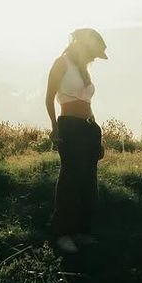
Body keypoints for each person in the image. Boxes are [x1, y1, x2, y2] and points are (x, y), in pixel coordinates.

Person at [46, 27, 108, 254]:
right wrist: (54, 126)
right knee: (70, 178)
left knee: (88, 180)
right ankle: (63, 233)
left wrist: (96, 134)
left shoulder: (84, 70)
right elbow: (49, 97)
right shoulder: (61, 63)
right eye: (93, 53)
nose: (94, 58)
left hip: (89, 127)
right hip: (69, 126)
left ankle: (82, 231)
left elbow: (88, 105)